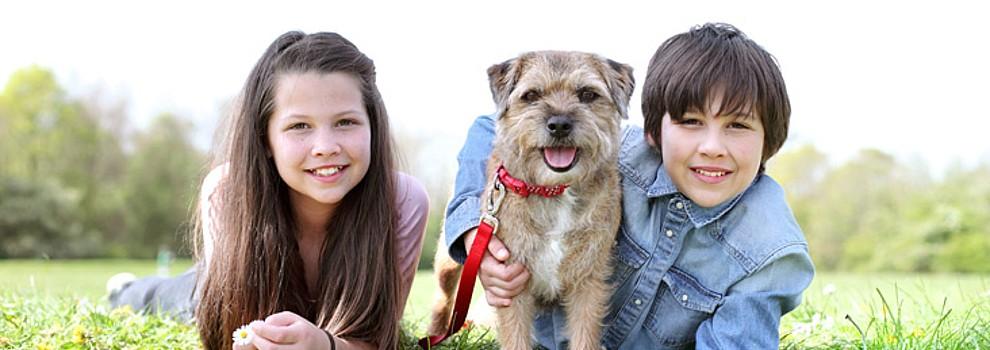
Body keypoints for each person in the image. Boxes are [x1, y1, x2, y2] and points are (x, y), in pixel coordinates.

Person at [442, 23, 814, 349]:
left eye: (737, 125)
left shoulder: (771, 251)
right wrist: (473, 232)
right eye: (690, 121)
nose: (712, 148)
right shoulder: (623, 151)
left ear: (772, 139)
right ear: (653, 130)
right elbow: (486, 127)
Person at [109, 31, 429, 350]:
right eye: (299, 126)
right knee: (166, 297)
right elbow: (234, 333)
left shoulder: (403, 201)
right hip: (208, 285)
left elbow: (378, 339)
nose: (326, 147)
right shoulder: (226, 191)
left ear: (373, 125)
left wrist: (326, 345)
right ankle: (124, 289)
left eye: (345, 122)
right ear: (266, 140)